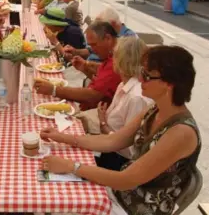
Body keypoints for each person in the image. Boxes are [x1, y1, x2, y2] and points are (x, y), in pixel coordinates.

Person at [40, 45, 200, 215]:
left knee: (55, 202)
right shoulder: (155, 108)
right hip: (121, 194)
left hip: (135, 207)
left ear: (169, 84)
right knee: (53, 192)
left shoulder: (181, 132)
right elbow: (113, 140)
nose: (139, 78)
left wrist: (71, 167)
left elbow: (126, 180)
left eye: (146, 75)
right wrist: (62, 137)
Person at [78, 37, 153, 171]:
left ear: (122, 61)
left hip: (120, 163)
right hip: (109, 149)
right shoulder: (124, 84)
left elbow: (130, 149)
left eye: (114, 56)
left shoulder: (136, 97)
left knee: (73, 160)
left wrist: (103, 123)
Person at [35, 21, 121, 110]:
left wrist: (54, 90)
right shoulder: (112, 55)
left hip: (97, 113)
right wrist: (85, 67)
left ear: (108, 38)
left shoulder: (118, 61)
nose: (93, 50)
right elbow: (103, 81)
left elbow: (93, 95)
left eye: (94, 45)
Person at [64, 7, 135, 62]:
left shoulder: (129, 39)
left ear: (112, 23)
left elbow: (115, 68)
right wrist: (75, 51)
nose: (97, 29)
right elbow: (91, 50)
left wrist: (87, 65)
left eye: (100, 27)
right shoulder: (106, 36)